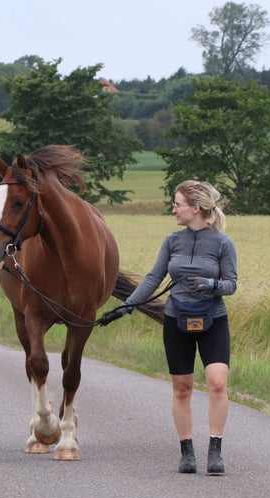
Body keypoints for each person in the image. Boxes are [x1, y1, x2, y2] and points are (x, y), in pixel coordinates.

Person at [100, 180, 237, 475]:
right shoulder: (172, 240)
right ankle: (187, 452)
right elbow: (152, 279)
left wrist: (211, 284)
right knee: (182, 389)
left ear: (195, 208)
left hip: (213, 319)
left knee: (217, 382)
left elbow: (231, 284)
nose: (173, 209)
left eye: (177, 204)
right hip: (177, 319)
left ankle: (215, 449)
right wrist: (125, 307)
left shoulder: (223, 243)